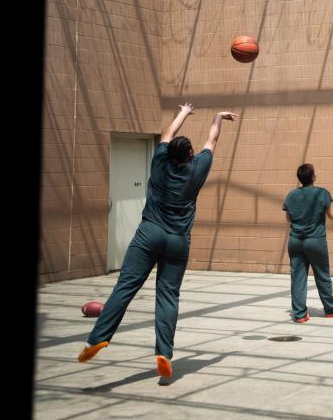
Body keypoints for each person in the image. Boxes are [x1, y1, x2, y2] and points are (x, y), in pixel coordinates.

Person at [78, 103, 238, 383]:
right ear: (190, 155)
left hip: (149, 233)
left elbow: (167, 134)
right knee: (168, 296)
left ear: (170, 153)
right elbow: (212, 140)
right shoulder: (198, 169)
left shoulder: (160, 160)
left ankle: (97, 339)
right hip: (177, 241)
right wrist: (216, 117)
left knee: (125, 286)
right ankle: (164, 353)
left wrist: (184, 112)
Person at [283, 163, 333, 323]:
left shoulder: (291, 195)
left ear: (300, 179)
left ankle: (299, 314)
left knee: (298, 277)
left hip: (295, 241)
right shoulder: (322, 193)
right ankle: (331, 309)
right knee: (322, 275)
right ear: (313, 177)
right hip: (315, 241)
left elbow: (288, 219)